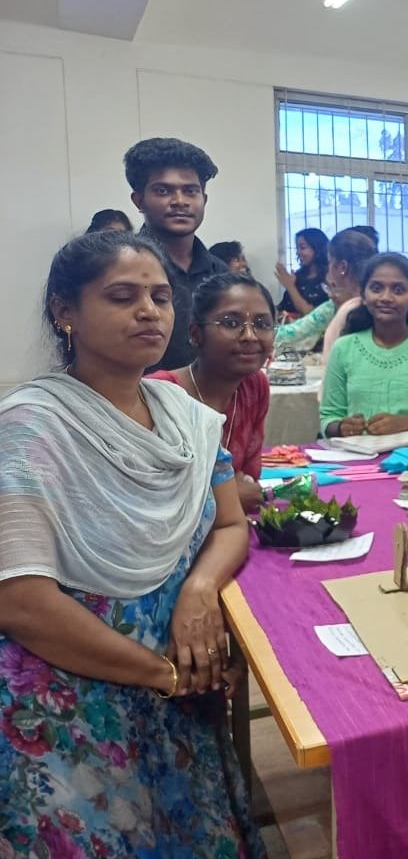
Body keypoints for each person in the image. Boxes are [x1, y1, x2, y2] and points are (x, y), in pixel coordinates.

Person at [0, 231, 263, 855]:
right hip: (72, 700)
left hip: (179, 686)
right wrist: (163, 675)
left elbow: (231, 524)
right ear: (65, 311)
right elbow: (21, 601)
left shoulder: (183, 415)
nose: (149, 311)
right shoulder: (32, 427)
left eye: (160, 297)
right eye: (123, 297)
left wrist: (200, 589)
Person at [151, 273, 275, 513]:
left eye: (262, 324)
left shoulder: (254, 386)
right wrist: (227, 497)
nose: (250, 336)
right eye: (231, 323)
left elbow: (248, 482)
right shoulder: (162, 394)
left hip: (232, 527)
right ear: (196, 334)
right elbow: (150, 497)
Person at [320, 252, 408, 437]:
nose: (386, 297)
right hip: (359, 454)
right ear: (363, 296)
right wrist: (342, 427)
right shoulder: (344, 348)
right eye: (376, 288)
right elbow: (328, 418)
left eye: (398, 290)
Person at [125, 137, 227, 371]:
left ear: (204, 199)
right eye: (163, 191)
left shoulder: (220, 273)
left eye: (191, 191)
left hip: (208, 393)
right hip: (139, 392)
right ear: (139, 200)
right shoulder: (119, 270)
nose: (180, 201)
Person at [273, 228, 377, 354]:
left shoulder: (343, 306)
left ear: (342, 267)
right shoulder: (335, 304)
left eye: (330, 262)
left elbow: (296, 331)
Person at [275, 227, 329, 317]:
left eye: (303, 247)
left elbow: (314, 317)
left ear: (317, 248)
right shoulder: (297, 277)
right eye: (297, 248)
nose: (298, 252)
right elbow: (281, 309)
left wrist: (290, 286)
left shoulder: (328, 279)